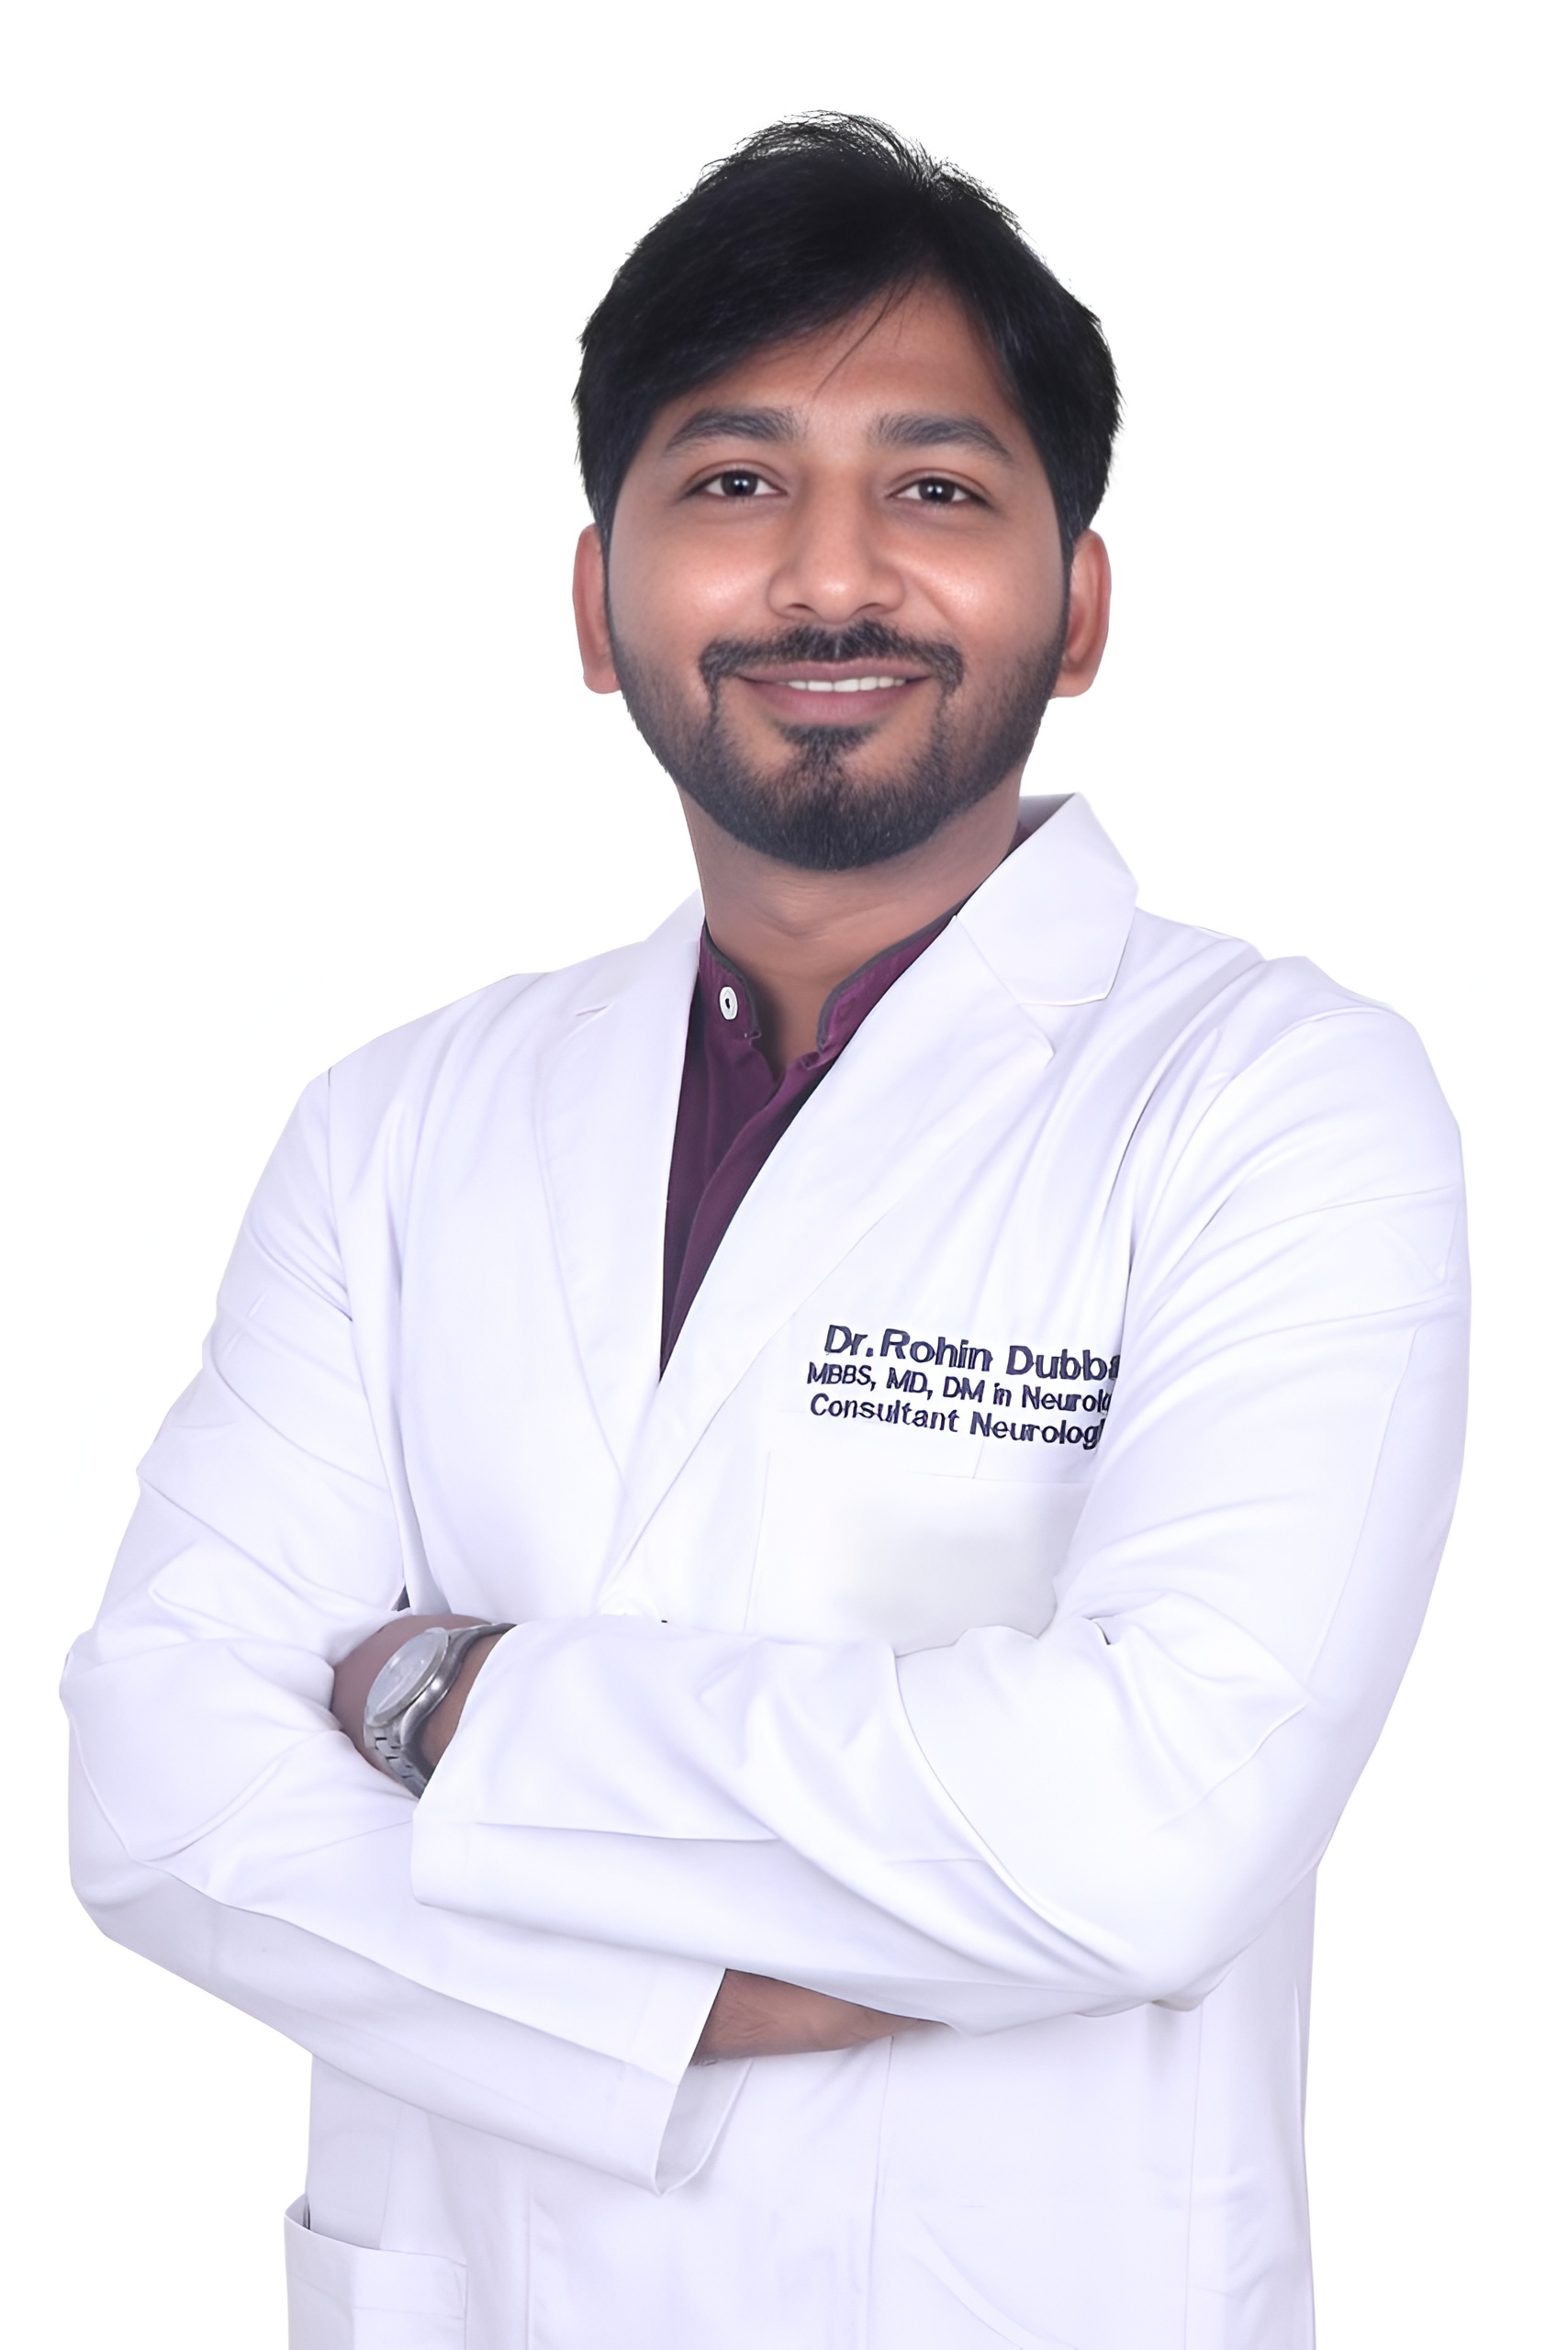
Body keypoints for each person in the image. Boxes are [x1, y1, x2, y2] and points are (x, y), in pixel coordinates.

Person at [63, 114, 1469, 2350]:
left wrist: (449, 1699)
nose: (830, 575)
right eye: (731, 481)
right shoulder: (397, 1124)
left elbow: (1157, 1823)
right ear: (597, 606)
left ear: (1078, 606)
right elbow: (157, 1779)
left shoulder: (1274, 1096)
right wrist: (684, 2006)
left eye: (936, 489)